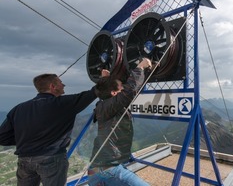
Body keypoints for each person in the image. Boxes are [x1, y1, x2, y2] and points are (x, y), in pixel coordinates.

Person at [0, 70, 109, 186]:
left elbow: (2, 137)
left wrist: (26, 140)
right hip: (52, 159)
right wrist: (105, 79)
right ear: (52, 86)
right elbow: (94, 92)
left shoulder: (18, 109)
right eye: (60, 82)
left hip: (25, 160)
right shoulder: (63, 103)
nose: (63, 85)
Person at [88, 58, 152, 186]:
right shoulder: (110, 106)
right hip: (108, 170)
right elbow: (130, 91)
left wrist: (105, 79)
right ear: (113, 93)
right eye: (120, 88)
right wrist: (140, 67)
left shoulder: (103, 104)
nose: (123, 90)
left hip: (96, 170)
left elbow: (104, 90)